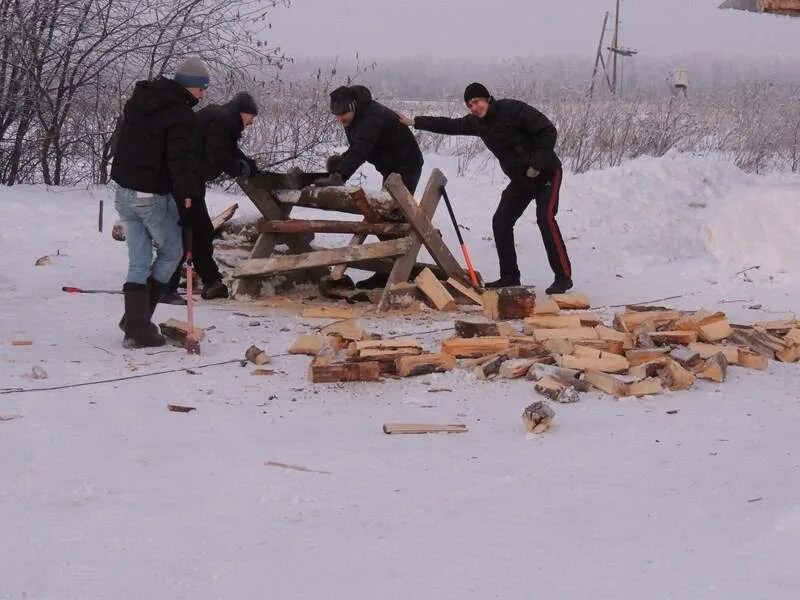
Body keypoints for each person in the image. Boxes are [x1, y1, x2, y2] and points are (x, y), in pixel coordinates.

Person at [397, 83, 573, 294]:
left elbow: (547, 130)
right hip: (521, 180)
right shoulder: (477, 123)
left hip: (547, 173)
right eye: (470, 104)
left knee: (545, 218)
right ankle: (509, 276)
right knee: (501, 221)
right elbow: (449, 125)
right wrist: (415, 122)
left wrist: (537, 163)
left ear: (488, 99)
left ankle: (563, 277)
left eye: (477, 102)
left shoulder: (513, 109)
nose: (474, 107)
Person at [110, 56, 209, 348]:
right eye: (201, 89)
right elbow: (180, 162)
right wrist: (189, 199)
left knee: (139, 260)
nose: (202, 95)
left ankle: (135, 324)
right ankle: (137, 325)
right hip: (151, 196)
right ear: (189, 87)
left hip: (124, 192)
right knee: (172, 251)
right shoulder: (179, 115)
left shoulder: (139, 102)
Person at [315, 84, 424, 288]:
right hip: (389, 169)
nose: (340, 119)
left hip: (406, 165)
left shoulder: (371, 116)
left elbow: (363, 148)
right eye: (336, 115)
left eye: (343, 114)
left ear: (354, 106)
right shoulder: (356, 118)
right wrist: (339, 165)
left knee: (395, 215)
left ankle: (400, 272)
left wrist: (341, 174)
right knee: (386, 216)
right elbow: (357, 147)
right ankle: (392, 269)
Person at [164, 91, 259, 302]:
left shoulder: (221, 116)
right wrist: (239, 168)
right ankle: (169, 285)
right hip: (185, 181)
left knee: (196, 230)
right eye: (252, 117)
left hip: (185, 179)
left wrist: (249, 165)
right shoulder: (225, 121)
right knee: (192, 231)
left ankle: (208, 281)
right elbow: (217, 155)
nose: (251, 122)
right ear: (244, 112)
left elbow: (229, 149)